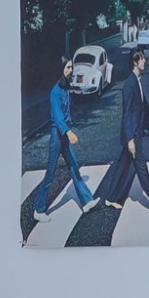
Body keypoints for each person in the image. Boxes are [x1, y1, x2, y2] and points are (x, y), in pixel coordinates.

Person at [98, 46, 149, 213]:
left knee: (122, 165)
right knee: (141, 167)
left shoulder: (136, 80)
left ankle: (111, 198)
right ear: (135, 62)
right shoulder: (129, 84)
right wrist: (130, 140)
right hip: (132, 134)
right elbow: (127, 114)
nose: (144, 60)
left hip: (136, 131)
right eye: (141, 58)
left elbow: (143, 106)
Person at [28, 55, 93, 219]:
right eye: (68, 68)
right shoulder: (55, 92)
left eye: (71, 67)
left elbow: (67, 111)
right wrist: (69, 132)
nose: (71, 70)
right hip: (58, 135)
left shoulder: (65, 88)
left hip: (64, 132)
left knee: (73, 167)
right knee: (50, 173)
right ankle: (39, 209)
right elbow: (57, 117)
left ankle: (86, 201)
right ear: (60, 70)